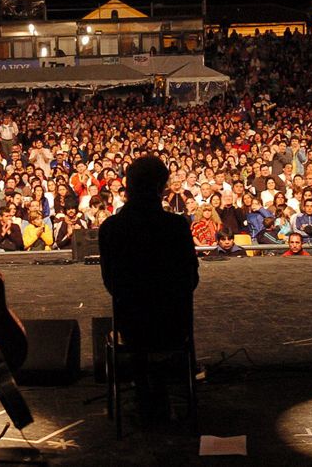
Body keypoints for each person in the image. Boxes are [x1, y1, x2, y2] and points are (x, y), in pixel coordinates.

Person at [99, 155, 199, 423]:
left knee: (137, 329)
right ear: (160, 188)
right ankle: (160, 386)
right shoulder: (177, 226)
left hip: (133, 327)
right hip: (174, 326)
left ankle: (144, 390)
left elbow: (111, 282)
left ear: (128, 187)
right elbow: (191, 279)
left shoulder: (111, 228)